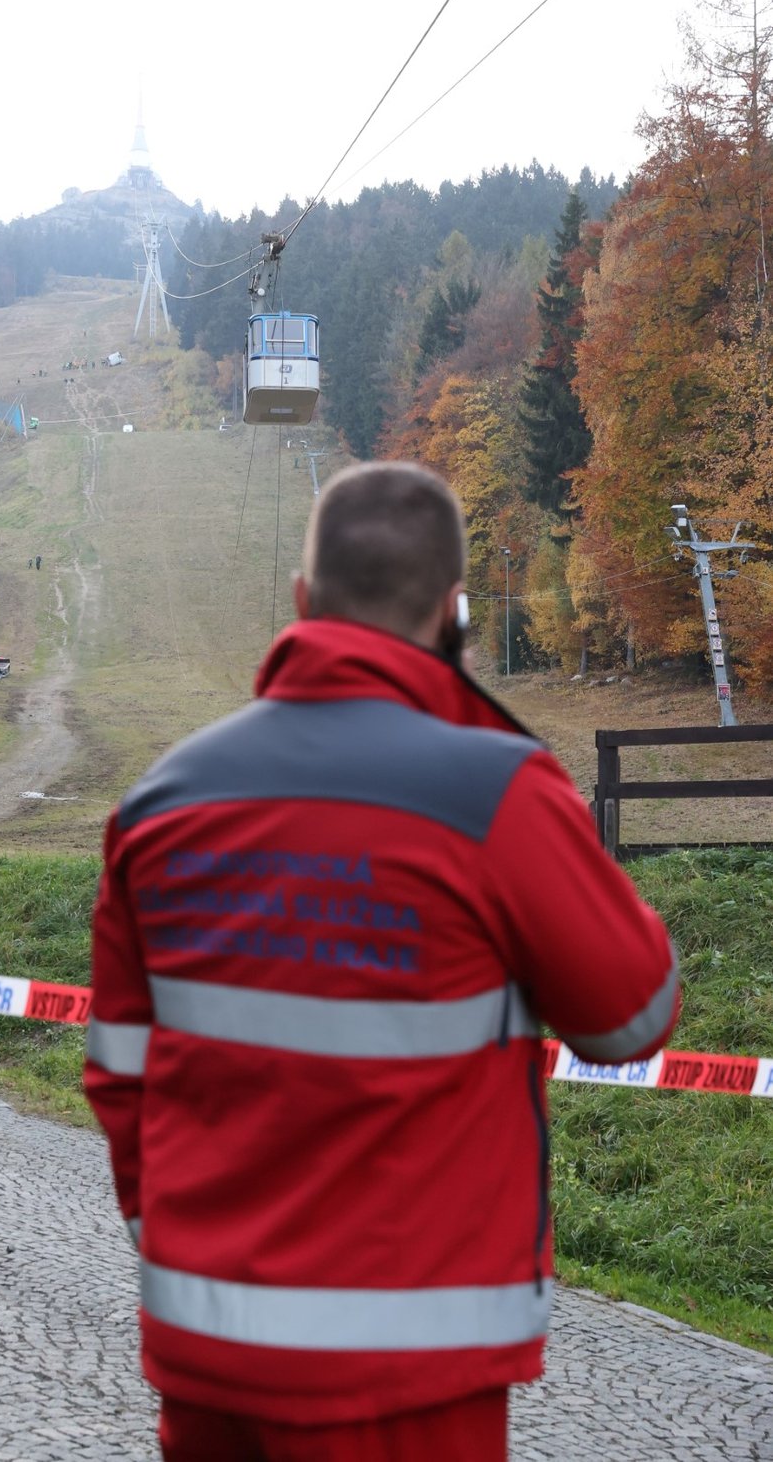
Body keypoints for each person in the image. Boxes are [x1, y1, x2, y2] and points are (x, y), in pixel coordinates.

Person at [84, 460, 680, 1462]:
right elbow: (631, 1015)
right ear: (456, 612)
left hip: (207, 1351)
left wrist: (176, 1231)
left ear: (301, 601)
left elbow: (120, 1069)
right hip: (409, 1373)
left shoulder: (158, 803)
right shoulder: (497, 793)